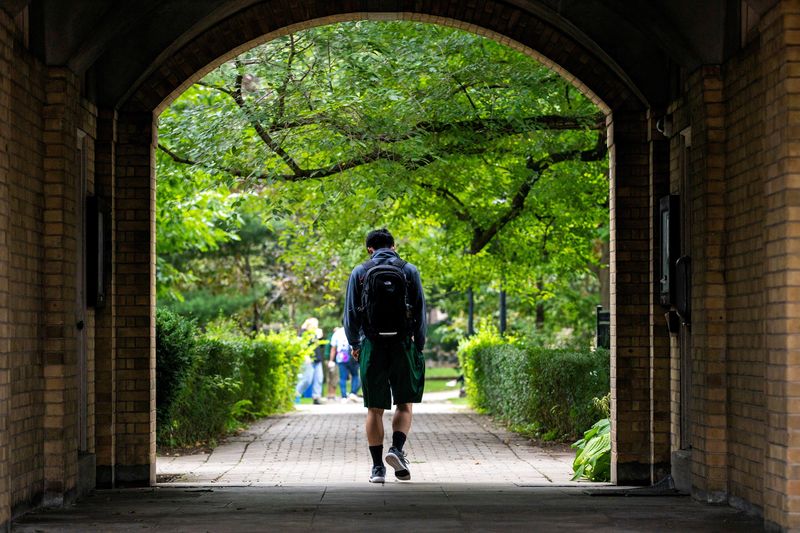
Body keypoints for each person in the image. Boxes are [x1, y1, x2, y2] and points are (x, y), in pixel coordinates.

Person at [344, 228, 426, 484]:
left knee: (374, 409)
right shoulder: (409, 270)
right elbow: (421, 311)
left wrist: (355, 344)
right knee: (404, 403)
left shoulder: (360, 272)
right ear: (394, 245)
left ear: (369, 248)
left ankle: (378, 468)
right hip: (402, 343)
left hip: (372, 344)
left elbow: (350, 313)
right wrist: (418, 345)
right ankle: (397, 450)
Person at [295, 317, 326, 405]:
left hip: (317, 359)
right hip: (308, 360)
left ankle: (316, 397)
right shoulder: (303, 333)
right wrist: (305, 356)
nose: (316, 326)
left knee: (319, 379)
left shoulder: (316, 333)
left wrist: (320, 337)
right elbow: (300, 346)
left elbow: (321, 346)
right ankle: (296, 395)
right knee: (307, 380)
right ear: (310, 325)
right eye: (315, 324)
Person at [329, 326, 360, 402]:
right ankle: (353, 393)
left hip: (342, 356)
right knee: (355, 375)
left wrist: (331, 360)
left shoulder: (337, 333)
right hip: (353, 354)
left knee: (342, 377)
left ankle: (344, 397)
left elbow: (333, 348)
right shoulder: (355, 329)